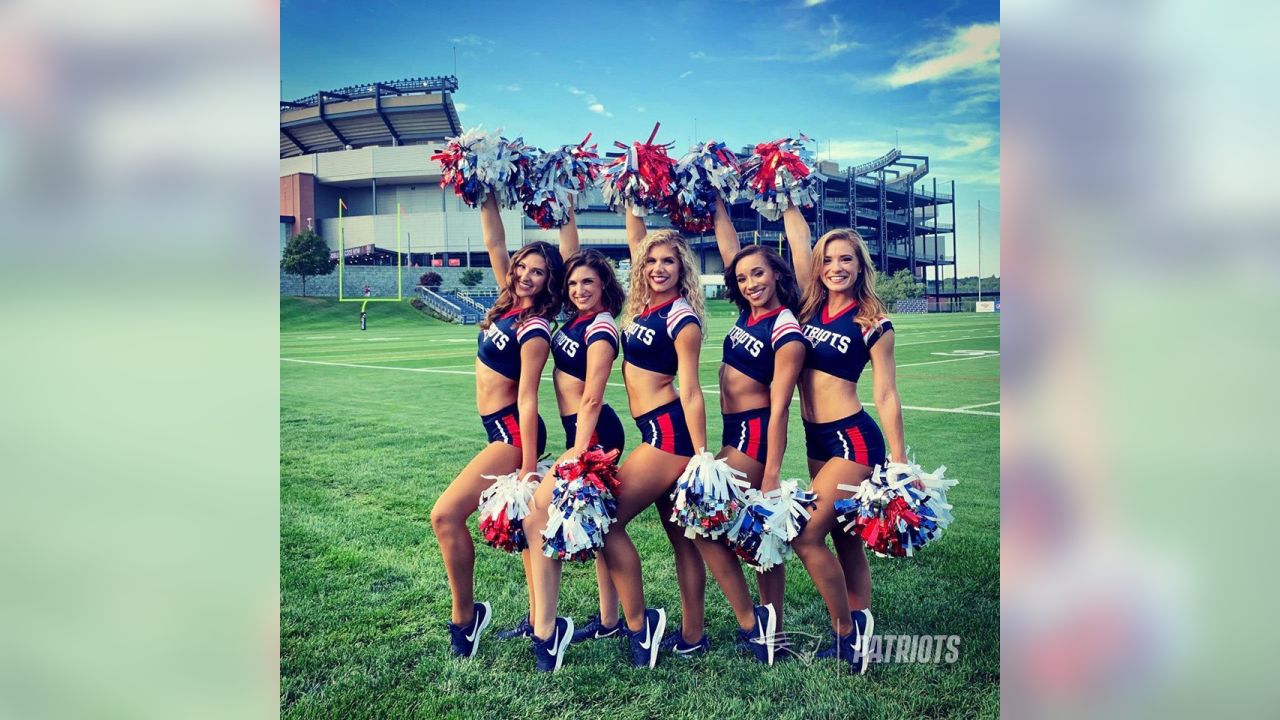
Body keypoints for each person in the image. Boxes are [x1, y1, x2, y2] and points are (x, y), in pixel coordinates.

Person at [599, 208, 773, 669]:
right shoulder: (646, 308)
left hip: (666, 438)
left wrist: (700, 456)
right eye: (651, 261)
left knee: (605, 521)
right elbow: (638, 235)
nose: (658, 267)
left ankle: (642, 624)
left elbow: (691, 389)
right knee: (689, 539)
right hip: (653, 431)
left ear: (683, 269)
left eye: (668, 262)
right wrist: (632, 198)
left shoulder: (681, 317)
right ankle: (717, 631)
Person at [429, 194, 565, 659]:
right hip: (497, 429)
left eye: (537, 272)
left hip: (514, 434)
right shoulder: (507, 303)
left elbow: (529, 396)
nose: (525, 275)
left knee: (445, 516)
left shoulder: (534, 326)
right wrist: (485, 189)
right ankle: (535, 620)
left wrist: (529, 468)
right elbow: (494, 240)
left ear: (550, 282)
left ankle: (465, 619)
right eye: (522, 266)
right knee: (526, 538)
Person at [786, 222, 908, 673]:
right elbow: (797, 239)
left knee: (805, 534)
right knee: (845, 537)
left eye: (846, 260)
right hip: (816, 438)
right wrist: (786, 194)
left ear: (860, 267)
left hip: (854, 440)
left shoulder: (872, 321)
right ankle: (861, 620)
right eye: (829, 259)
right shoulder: (807, 308)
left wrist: (898, 461)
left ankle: (846, 633)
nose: (837, 267)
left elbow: (887, 394)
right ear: (819, 266)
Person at [521, 238, 630, 671]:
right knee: (599, 529)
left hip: (593, 435)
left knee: (535, 517)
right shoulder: (577, 319)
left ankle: (547, 631)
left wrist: (579, 455)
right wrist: (565, 208)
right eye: (573, 282)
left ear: (605, 284)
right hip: (581, 433)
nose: (579, 289)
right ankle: (608, 620)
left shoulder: (602, 327)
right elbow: (567, 250)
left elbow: (591, 398)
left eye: (589, 281)